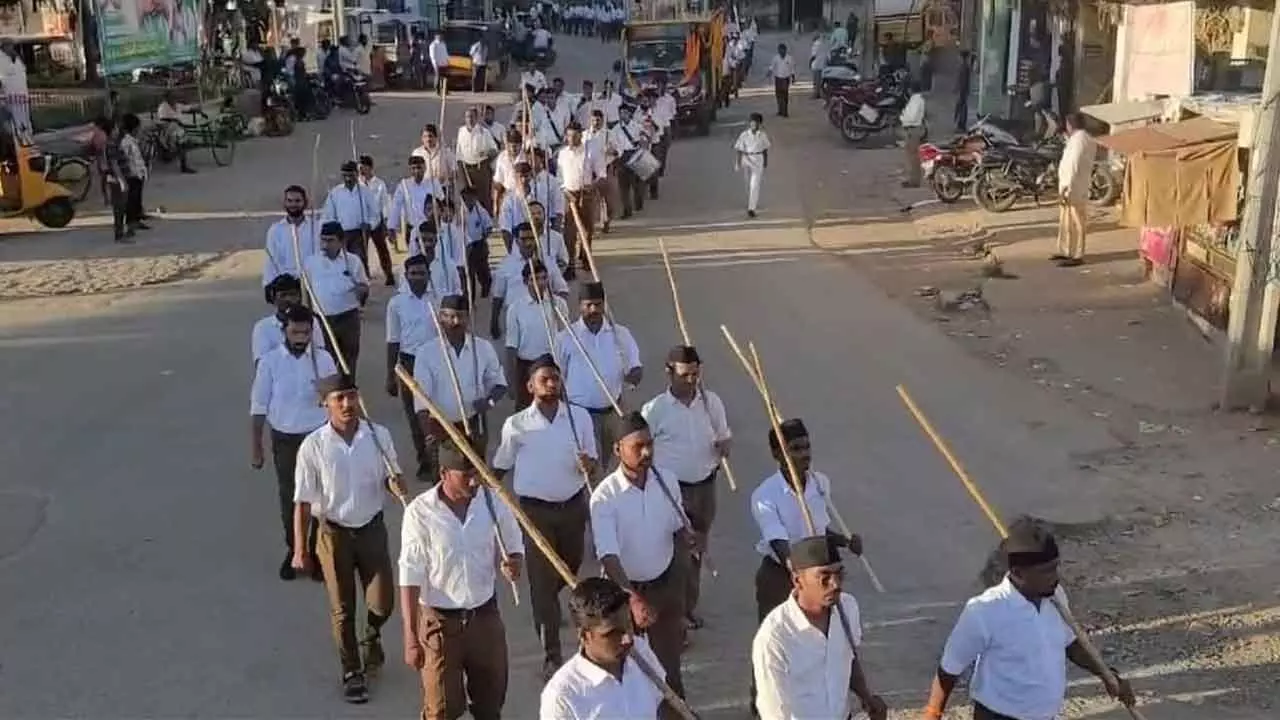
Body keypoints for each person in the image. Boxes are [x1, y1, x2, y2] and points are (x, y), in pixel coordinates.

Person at [923, 519, 1137, 720]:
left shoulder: (1055, 596)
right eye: (1046, 571)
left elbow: (1071, 644)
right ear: (1018, 573)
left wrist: (1107, 675)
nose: (1056, 576)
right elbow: (950, 667)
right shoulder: (984, 612)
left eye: (1055, 567)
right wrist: (933, 713)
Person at [293, 373, 405, 704]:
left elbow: (391, 475)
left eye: (351, 396)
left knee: (383, 602)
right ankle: (352, 671)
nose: (346, 404)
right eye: (339, 398)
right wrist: (300, 550)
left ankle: (371, 636)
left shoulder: (378, 436)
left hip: (371, 527)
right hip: (332, 533)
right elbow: (301, 501)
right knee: (342, 608)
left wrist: (395, 485)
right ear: (324, 404)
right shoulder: (313, 446)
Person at [399, 441, 523, 720]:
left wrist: (514, 564)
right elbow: (410, 576)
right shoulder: (420, 513)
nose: (474, 479)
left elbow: (513, 545)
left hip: (484, 616)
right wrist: (410, 637)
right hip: (440, 623)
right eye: (465, 473)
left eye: (477, 471)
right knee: (442, 708)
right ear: (444, 473)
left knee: (491, 702)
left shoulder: (493, 502)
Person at [492, 355, 598, 679]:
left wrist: (587, 465)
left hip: (573, 505)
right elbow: (501, 464)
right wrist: (485, 483)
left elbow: (593, 462)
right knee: (541, 580)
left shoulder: (579, 418)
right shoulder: (517, 425)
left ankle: (546, 605)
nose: (551, 384)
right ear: (530, 386)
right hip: (535, 511)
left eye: (555, 378)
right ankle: (552, 653)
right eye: (544, 379)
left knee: (569, 567)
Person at [748, 418, 863, 714]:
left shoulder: (820, 484)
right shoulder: (764, 496)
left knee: (830, 641)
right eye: (795, 449)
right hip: (781, 576)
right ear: (778, 454)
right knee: (777, 648)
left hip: (820, 575)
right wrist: (801, 571)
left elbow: (820, 531)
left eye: (807, 446)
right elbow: (779, 543)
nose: (805, 454)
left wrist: (845, 542)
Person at [589, 412, 697, 715]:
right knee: (626, 668)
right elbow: (608, 556)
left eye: (650, 444)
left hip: (665, 584)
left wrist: (689, 539)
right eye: (638, 446)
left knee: (668, 668)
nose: (647, 452)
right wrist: (631, 599)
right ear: (617, 450)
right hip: (624, 595)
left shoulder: (668, 481)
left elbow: (678, 527)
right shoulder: (604, 498)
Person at [640, 345, 731, 631]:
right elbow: (642, 447)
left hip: (705, 486)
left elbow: (724, 436)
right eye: (684, 375)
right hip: (672, 491)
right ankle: (674, 611)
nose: (691, 380)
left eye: (695, 374)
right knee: (676, 550)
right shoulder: (655, 410)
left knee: (696, 549)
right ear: (669, 373)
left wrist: (724, 446)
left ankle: (688, 607)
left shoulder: (711, 402)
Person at [751, 536, 889, 720]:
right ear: (798, 581)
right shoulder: (775, 636)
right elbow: (774, 710)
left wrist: (866, 696)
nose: (835, 584)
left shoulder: (847, 608)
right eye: (824, 577)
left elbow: (848, 657)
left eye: (839, 574)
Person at [250, 304, 337, 581]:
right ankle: (294, 549)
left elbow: (335, 400)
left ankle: (315, 552)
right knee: (291, 496)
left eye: (306, 332)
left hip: (317, 435)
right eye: (295, 331)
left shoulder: (323, 360)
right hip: (285, 437)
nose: (301, 337)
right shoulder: (270, 362)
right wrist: (257, 446)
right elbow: (259, 405)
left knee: (319, 497)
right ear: (285, 331)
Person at [555, 281, 642, 469]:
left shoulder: (620, 334)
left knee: (615, 462)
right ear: (580, 306)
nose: (594, 309)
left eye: (598, 304)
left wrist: (634, 375)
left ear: (604, 304)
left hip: (613, 411)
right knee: (587, 465)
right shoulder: (567, 338)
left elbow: (635, 366)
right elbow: (557, 374)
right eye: (588, 305)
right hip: (581, 413)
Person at [412, 293, 507, 456]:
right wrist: (428, 433)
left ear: (468, 317)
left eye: (461, 316)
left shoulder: (482, 348)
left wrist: (489, 402)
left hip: (474, 423)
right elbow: (421, 400)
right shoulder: (426, 353)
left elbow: (499, 384)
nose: (456, 322)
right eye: (450, 316)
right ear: (440, 318)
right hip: (441, 427)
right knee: (447, 478)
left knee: (477, 475)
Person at [385, 254, 446, 482]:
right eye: (413, 274)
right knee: (415, 415)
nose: (418, 278)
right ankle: (425, 460)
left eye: (422, 273)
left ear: (429, 275)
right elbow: (393, 340)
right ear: (406, 276)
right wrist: (390, 374)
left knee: (438, 411)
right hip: (409, 362)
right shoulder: (396, 303)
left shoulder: (439, 299)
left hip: (437, 361)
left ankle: (441, 459)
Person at [303, 222, 370, 372]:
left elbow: (364, 287)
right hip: (322, 319)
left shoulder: (353, 261)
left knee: (349, 359)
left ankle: (348, 389)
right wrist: (308, 317)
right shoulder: (311, 262)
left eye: (330, 240)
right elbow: (307, 292)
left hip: (348, 318)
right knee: (326, 359)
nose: (325, 245)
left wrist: (359, 289)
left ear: (341, 241)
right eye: (323, 240)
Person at [504, 261, 570, 408]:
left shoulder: (558, 305)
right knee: (526, 412)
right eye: (535, 279)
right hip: (527, 367)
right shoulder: (516, 309)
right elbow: (511, 347)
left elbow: (567, 338)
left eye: (544, 278)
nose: (540, 283)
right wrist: (510, 380)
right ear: (525, 282)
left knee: (555, 409)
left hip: (552, 364)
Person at [490, 221, 570, 339]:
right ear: (516, 241)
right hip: (516, 319)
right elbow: (498, 296)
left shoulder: (548, 262)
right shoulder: (506, 265)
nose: (528, 243)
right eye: (523, 239)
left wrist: (556, 310)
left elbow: (562, 289)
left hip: (544, 318)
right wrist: (494, 322)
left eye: (531, 238)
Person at [557, 123, 605, 274]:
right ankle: (570, 264)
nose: (572, 139)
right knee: (569, 232)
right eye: (569, 136)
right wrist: (564, 191)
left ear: (581, 136)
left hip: (586, 194)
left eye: (576, 136)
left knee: (587, 230)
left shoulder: (590, 152)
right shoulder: (562, 154)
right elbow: (559, 178)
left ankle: (585, 257)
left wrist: (593, 185)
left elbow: (601, 174)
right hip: (568, 195)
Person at [1053, 112, 1096, 268]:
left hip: (1073, 186)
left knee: (1077, 220)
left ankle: (1077, 254)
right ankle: (1065, 250)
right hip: (1072, 184)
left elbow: (1074, 164)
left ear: (1071, 125)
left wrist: (1067, 186)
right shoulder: (1081, 139)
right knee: (1066, 219)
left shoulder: (1080, 140)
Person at [253, 273, 327, 363]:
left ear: (300, 297)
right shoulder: (262, 328)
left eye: (293, 295)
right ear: (274, 298)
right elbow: (261, 364)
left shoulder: (313, 321)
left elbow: (321, 355)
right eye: (283, 295)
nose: (288, 299)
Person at [261, 186, 321, 296]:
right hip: (286, 286)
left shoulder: (316, 227)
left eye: (297, 201)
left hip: (313, 283)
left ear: (305, 203)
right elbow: (271, 259)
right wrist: (268, 284)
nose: (293, 205)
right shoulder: (275, 230)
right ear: (284, 203)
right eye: (289, 201)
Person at [322, 161, 380, 270]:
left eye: (351, 176)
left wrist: (370, 225)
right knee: (342, 261)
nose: (348, 179)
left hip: (359, 233)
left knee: (359, 260)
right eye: (345, 176)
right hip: (341, 234)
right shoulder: (335, 193)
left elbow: (375, 213)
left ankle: (363, 282)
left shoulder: (365, 191)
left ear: (357, 174)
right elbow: (329, 215)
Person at [357, 155, 395, 285]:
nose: (361, 170)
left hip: (376, 222)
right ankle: (364, 276)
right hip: (361, 223)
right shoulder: (357, 185)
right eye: (359, 168)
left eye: (364, 167)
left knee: (382, 249)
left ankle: (389, 273)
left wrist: (387, 222)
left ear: (370, 168)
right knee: (361, 252)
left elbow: (385, 203)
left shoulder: (379, 184)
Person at [456, 106, 500, 216]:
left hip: (481, 168)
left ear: (476, 118)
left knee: (484, 197)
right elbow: (459, 153)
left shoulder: (484, 132)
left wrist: (486, 154)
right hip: (466, 168)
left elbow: (495, 150)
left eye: (472, 117)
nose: (470, 120)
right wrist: (460, 170)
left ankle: (488, 221)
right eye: (467, 117)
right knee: (467, 197)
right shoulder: (461, 131)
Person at [388, 155, 435, 251]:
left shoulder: (433, 184)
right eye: (413, 168)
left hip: (430, 229)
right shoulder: (404, 185)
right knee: (415, 260)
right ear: (410, 170)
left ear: (425, 168)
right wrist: (391, 227)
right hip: (412, 229)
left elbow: (441, 205)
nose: (417, 171)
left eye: (419, 168)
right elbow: (396, 207)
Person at [733, 113, 771, 218]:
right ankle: (751, 200)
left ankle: (751, 208)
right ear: (749, 123)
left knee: (755, 184)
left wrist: (765, 162)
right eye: (752, 122)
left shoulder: (762, 135)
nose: (754, 125)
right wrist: (738, 162)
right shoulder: (744, 135)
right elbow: (739, 149)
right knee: (748, 184)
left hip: (758, 159)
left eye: (756, 123)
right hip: (747, 158)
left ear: (760, 124)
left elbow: (765, 149)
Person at [460, 185, 495, 296]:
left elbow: (489, 226)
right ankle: (470, 296)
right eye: (466, 199)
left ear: (475, 198)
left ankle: (486, 287)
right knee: (469, 272)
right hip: (465, 245)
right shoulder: (459, 212)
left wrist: (485, 235)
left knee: (482, 269)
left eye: (471, 198)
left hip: (478, 243)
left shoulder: (480, 211)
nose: (468, 201)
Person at [118, 113, 149, 233]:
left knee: (137, 198)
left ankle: (136, 220)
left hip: (138, 173)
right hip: (131, 174)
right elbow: (125, 159)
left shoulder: (132, 140)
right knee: (131, 199)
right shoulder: (126, 142)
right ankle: (130, 223)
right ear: (134, 129)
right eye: (138, 128)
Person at [154, 91, 197, 174]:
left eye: (173, 97)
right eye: (170, 97)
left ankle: (179, 158)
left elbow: (188, 108)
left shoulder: (177, 105)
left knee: (182, 142)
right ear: (166, 98)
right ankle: (183, 167)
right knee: (182, 143)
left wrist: (197, 108)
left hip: (178, 128)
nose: (172, 99)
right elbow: (163, 119)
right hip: (168, 128)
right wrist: (176, 121)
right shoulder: (163, 107)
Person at [899, 82, 927, 188]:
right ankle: (912, 179)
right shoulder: (916, 100)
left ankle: (914, 180)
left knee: (913, 157)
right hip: (913, 128)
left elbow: (912, 116)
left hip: (913, 129)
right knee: (912, 156)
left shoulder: (916, 101)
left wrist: (903, 119)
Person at [766, 43, 795, 117]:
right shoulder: (776, 58)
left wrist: (793, 77)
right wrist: (769, 73)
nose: (781, 52)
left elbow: (792, 68)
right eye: (780, 50)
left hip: (786, 78)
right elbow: (772, 66)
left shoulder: (789, 58)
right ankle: (780, 110)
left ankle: (785, 111)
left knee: (785, 94)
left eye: (783, 50)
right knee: (778, 95)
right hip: (778, 78)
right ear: (778, 51)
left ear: (785, 50)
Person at [955, 50, 973, 132]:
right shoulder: (965, 66)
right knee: (962, 107)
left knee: (962, 107)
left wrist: (960, 89)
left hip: (963, 90)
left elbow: (963, 80)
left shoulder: (964, 67)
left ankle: (961, 125)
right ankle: (961, 124)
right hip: (963, 90)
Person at [809, 33, 829, 99]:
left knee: (816, 81)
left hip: (816, 65)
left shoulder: (815, 45)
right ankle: (821, 94)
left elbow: (813, 56)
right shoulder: (824, 44)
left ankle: (816, 94)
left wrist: (810, 62)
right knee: (821, 81)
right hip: (823, 64)